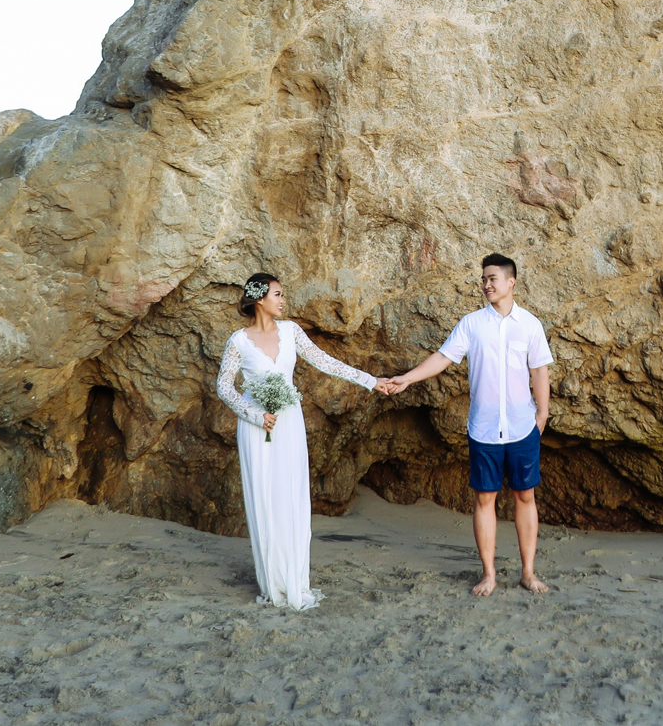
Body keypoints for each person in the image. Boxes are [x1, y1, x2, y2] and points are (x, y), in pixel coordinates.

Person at [380, 253, 554, 595]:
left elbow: (539, 371)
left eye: (492, 278)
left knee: (525, 495)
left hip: (522, 426)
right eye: (484, 279)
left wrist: (543, 415)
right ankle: (488, 574)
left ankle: (528, 573)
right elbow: (443, 358)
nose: (486, 284)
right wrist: (407, 378)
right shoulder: (472, 324)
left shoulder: (530, 325)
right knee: (485, 498)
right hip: (484, 427)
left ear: (510, 282)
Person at [215, 272, 391, 609]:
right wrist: (254, 415)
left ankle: (295, 580)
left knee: (290, 495)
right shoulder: (238, 341)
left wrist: (371, 381)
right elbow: (224, 386)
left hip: (288, 421)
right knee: (265, 498)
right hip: (256, 426)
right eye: (278, 294)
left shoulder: (291, 331)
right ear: (259, 299)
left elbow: (324, 361)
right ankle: (273, 583)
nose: (283, 300)